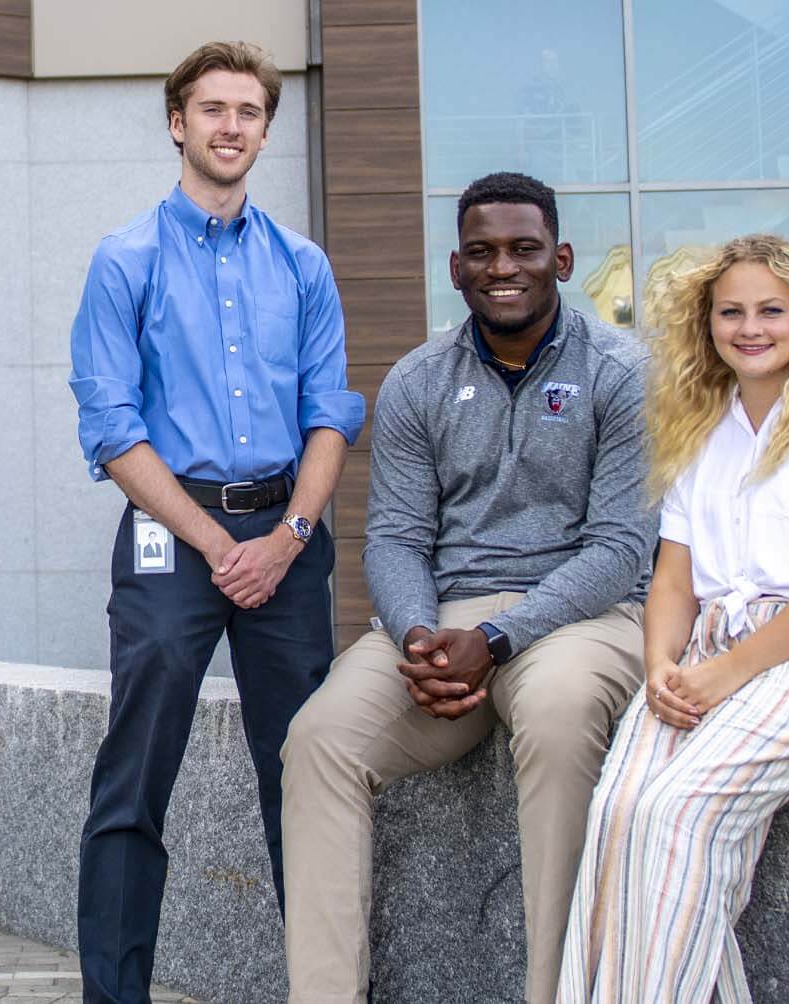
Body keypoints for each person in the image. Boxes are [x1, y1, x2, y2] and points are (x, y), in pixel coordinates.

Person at [280, 171, 655, 1004]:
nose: (503, 267)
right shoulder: (417, 379)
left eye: (524, 249)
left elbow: (623, 546)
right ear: (455, 269)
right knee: (319, 739)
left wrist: (495, 641)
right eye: (481, 252)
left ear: (560, 258)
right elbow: (397, 537)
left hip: (586, 615)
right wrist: (417, 636)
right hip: (444, 622)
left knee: (558, 717)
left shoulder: (626, 372)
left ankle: (556, 994)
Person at [65, 40, 364, 1004]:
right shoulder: (125, 261)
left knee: (307, 781)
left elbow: (330, 414)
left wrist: (288, 540)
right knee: (134, 777)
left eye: (249, 113)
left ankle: (326, 990)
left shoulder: (304, 265)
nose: (231, 127)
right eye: (213, 109)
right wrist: (216, 544)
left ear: (266, 130)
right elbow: (112, 429)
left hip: (287, 539)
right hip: (174, 540)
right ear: (177, 122)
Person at [558, 234, 789, 1004]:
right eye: (732, 313)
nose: (751, 328)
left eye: (771, 311)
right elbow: (674, 579)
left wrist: (723, 673)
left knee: (678, 810)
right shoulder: (701, 426)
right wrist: (661, 667)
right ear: (707, 324)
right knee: (620, 810)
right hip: (710, 654)